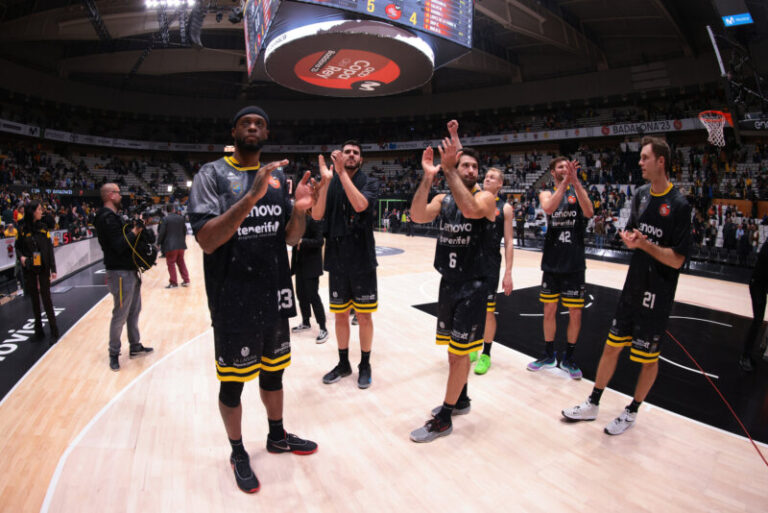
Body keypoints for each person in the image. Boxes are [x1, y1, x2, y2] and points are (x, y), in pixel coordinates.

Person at [188, 106, 317, 494]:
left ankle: (277, 436)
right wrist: (251, 196)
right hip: (232, 297)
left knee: (274, 373)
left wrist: (300, 211)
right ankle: (237, 451)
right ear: (234, 131)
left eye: (260, 123)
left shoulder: (277, 177)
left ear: (267, 133)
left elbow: (291, 238)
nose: (253, 127)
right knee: (233, 384)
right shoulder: (211, 175)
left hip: (273, 292)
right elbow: (207, 240)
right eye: (246, 123)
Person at [562, 136, 691, 435]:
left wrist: (645, 246)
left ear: (661, 161)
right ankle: (593, 402)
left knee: (648, 359)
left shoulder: (679, 205)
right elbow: (635, 232)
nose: (640, 162)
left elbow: (677, 260)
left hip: (658, 293)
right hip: (633, 285)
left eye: (645, 158)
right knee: (611, 346)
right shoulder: (641, 194)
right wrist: (632, 240)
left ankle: (632, 410)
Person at [409, 123, 495, 443]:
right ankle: (461, 399)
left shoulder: (486, 198)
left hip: (474, 286)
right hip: (449, 283)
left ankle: (444, 418)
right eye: (465, 165)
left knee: (460, 355)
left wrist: (448, 170)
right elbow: (417, 215)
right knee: (452, 352)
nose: (471, 170)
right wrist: (429, 176)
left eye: (474, 166)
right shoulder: (443, 199)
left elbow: (470, 210)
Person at [313, 140, 379, 389]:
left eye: (355, 153)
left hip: (362, 259)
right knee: (340, 316)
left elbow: (360, 205)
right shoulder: (331, 183)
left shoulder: (370, 182)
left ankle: (365, 364)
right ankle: (343, 363)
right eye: (347, 152)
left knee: (364, 316)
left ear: (361, 159)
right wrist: (326, 182)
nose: (351, 155)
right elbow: (317, 214)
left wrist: (340, 174)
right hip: (337, 258)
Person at [528, 157, 593, 378]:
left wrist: (576, 183)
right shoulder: (546, 193)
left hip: (574, 262)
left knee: (575, 313)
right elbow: (548, 208)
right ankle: (549, 354)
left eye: (567, 166)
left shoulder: (578, 192)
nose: (565, 169)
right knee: (549, 310)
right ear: (553, 172)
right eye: (560, 167)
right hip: (552, 261)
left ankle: (569, 358)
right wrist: (566, 183)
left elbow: (589, 212)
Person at [94, 184, 154, 371]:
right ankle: (114, 353)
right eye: (119, 193)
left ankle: (135, 346)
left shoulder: (114, 217)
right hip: (119, 272)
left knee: (134, 311)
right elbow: (119, 245)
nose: (121, 196)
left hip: (129, 270)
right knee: (120, 314)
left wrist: (137, 227)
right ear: (111, 195)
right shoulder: (106, 218)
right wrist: (135, 230)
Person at [468, 166, 515, 375]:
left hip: (490, 264)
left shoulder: (505, 208)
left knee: (487, 311)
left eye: (492, 177)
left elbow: (509, 242)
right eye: (486, 176)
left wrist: (508, 272)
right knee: (470, 308)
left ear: (500, 184)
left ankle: (486, 354)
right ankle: (472, 345)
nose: (487, 179)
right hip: (471, 262)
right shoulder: (476, 199)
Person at [15, 201, 59, 341]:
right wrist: (21, 257)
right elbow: (17, 247)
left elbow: (50, 249)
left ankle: (54, 331)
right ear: (32, 212)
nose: (41, 211)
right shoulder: (22, 229)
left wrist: (53, 268)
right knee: (34, 300)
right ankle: (38, 330)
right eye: (39, 209)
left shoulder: (44, 228)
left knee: (46, 299)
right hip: (30, 268)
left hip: (43, 267)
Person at [291, 210, 329, 343]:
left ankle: (323, 328)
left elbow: (319, 241)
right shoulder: (297, 220)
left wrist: (303, 241)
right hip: (299, 264)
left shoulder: (315, 219)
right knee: (301, 295)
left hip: (311, 265)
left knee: (313, 296)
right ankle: (306, 321)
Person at [739, 241, 768, 372]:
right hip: (758, 285)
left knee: (759, 321)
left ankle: (753, 351)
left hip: (762, 285)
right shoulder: (766, 248)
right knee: (757, 321)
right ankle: (745, 356)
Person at [157, 204, 190, 288]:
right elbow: (184, 231)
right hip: (181, 245)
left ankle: (173, 283)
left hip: (170, 245)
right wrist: (182, 240)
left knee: (171, 263)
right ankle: (186, 280)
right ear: (174, 210)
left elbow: (162, 232)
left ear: (167, 210)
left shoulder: (165, 219)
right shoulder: (181, 218)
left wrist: (158, 243)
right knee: (181, 262)